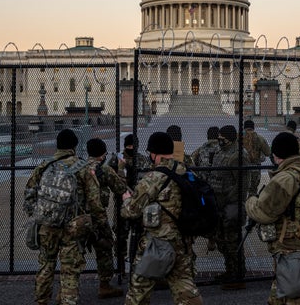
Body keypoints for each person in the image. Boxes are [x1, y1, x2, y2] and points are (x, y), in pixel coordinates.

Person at [121, 132, 203, 305]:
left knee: (139, 291)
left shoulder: (153, 178)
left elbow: (131, 211)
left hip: (157, 245)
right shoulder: (187, 173)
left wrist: (126, 198)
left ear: (154, 153)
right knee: (186, 290)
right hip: (182, 242)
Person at [24, 129, 104, 305]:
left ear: (57, 146)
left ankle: (41, 300)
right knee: (70, 270)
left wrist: (38, 215)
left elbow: (29, 195)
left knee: (46, 265)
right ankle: (68, 301)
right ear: (75, 146)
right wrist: (99, 222)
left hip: (46, 225)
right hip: (73, 227)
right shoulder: (83, 168)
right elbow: (94, 200)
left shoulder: (44, 166)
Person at [245, 132, 300, 304]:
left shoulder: (285, 178)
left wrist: (250, 202)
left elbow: (264, 213)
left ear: (276, 154)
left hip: (292, 247)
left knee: (295, 298)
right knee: (284, 296)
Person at [207, 124, 249, 289]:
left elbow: (242, 184)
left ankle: (238, 275)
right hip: (219, 203)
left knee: (233, 241)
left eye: (222, 138)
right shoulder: (220, 152)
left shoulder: (238, 156)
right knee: (222, 240)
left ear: (230, 139)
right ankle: (229, 271)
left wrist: (230, 200)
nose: (219, 140)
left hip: (231, 205)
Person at [86, 138, 127, 299]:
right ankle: (104, 285)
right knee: (104, 248)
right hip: (97, 217)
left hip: (79, 217)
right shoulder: (104, 169)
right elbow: (120, 188)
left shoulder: (79, 167)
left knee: (74, 251)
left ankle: (65, 290)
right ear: (103, 154)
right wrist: (121, 170)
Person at [242, 119, 271, 195]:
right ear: (253, 128)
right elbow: (268, 153)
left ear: (244, 127)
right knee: (253, 191)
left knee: (241, 190)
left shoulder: (239, 138)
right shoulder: (260, 138)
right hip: (255, 168)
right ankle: (251, 205)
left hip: (242, 168)